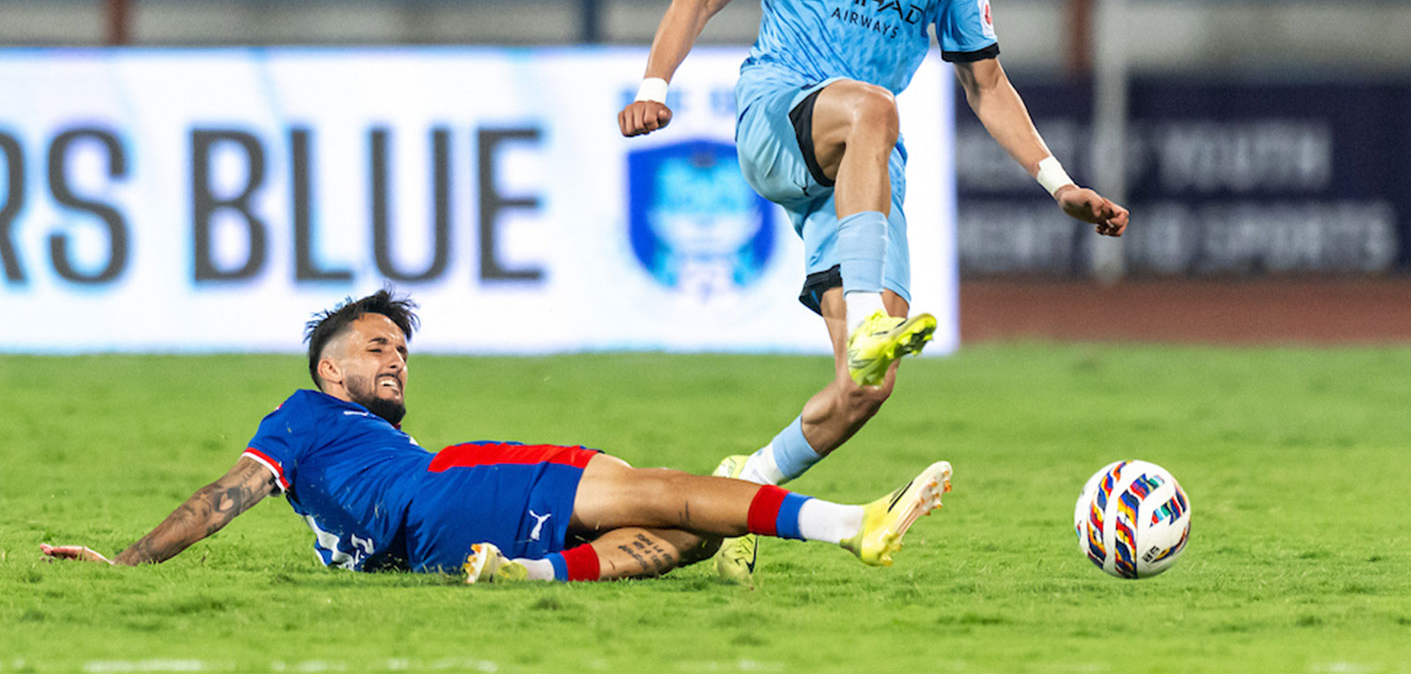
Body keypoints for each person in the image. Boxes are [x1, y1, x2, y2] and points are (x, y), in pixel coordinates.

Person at [618, 0, 1128, 581]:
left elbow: (986, 82)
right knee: (876, 109)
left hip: (862, 171)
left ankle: (743, 485)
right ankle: (869, 316)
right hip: (780, 116)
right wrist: (654, 85)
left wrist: (1059, 182)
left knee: (866, 389)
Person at [39, 288, 952, 583]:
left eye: (401, 348)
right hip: (446, 489)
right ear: (330, 370)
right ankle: (850, 523)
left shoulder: (341, 454)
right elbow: (219, 500)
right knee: (661, 488)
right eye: (375, 347)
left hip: (432, 542)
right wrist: (128, 563)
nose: (395, 360)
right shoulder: (303, 415)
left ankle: (533, 573)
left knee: (691, 532)